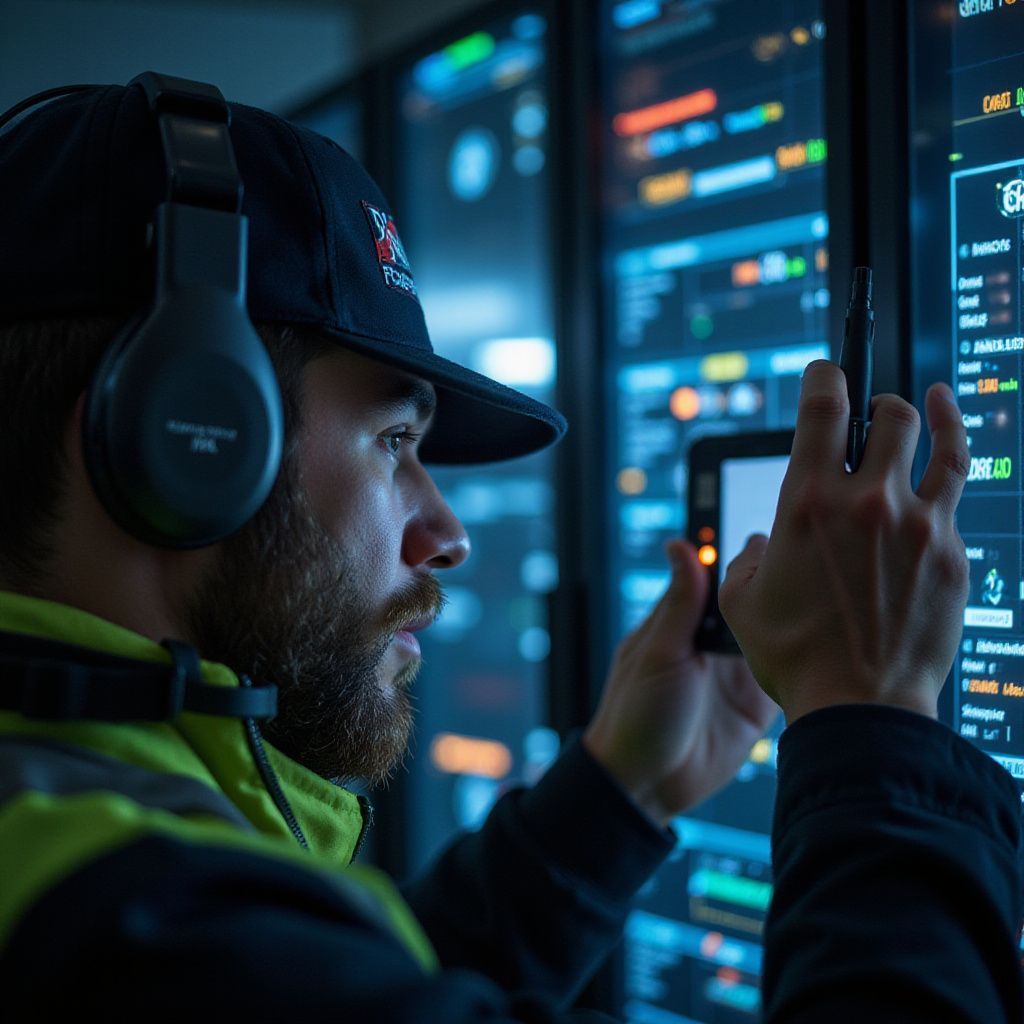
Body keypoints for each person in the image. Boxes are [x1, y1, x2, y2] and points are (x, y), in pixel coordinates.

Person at [0, 75, 1019, 1023]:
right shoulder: (151, 941)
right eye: (395, 442)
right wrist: (874, 721)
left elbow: (365, 984)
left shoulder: (77, 844)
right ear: (187, 438)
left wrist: (621, 791)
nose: (445, 534)